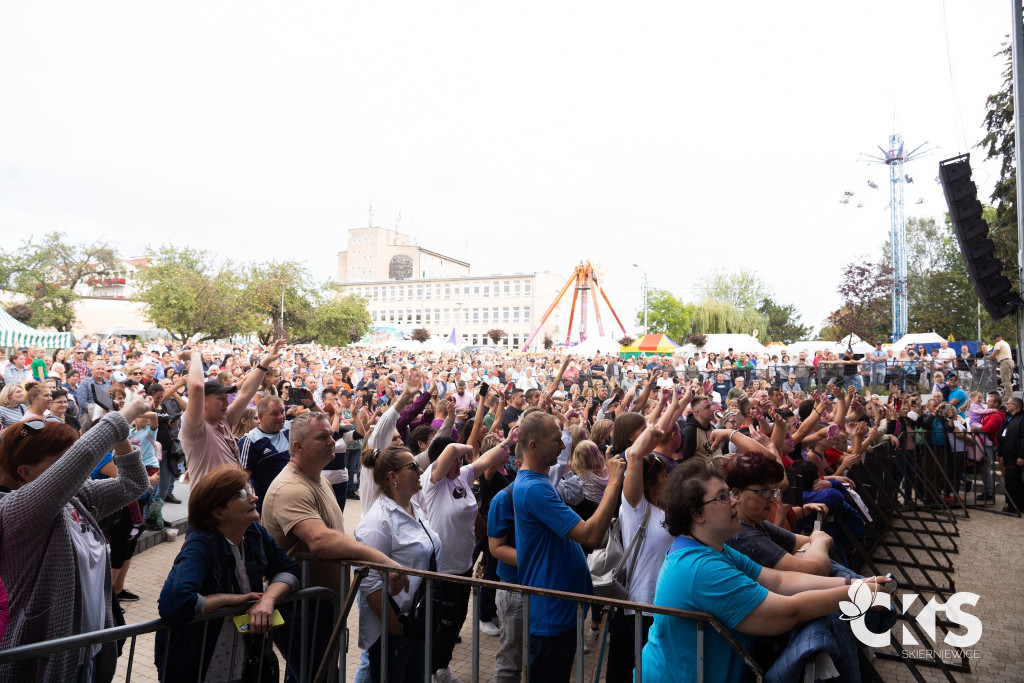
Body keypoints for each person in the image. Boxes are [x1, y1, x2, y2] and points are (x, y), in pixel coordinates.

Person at [640, 458, 891, 683]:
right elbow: (786, 612)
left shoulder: (714, 548)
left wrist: (854, 583)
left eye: (730, 493)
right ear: (696, 514)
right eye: (723, 497)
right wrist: (854, 593)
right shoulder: (699, 568)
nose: (734, 501)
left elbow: (780, 581)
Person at [0, 399, 151, 682]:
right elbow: (83, 455)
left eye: (70, 456)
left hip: (90, 653)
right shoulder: (14, 511)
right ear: (25, 472)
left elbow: (134, 484)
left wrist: (121, 439)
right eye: (62, 462)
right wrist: (124, 416)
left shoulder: (76, 499)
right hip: (45, 661)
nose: (73, 470)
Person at [261, 411, 406, 680]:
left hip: (321, 607)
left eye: (331, 434)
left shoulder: (320, 480)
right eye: (322, 437)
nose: (332, 441)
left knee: (308, 675)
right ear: (298, 446)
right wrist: (381, 559)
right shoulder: (290, 488)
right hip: (301, 611)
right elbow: (320, 540)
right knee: (321, 676)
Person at [156, 465, 299, 682]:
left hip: (241, 661)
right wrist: (228, 599)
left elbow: (288, 569)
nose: (254, 497)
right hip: (197, 664)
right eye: (242, 494)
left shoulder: (254, 533)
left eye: (249, 488)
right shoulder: (201, 544)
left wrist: (267, 600)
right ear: (218, 512)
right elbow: (174, 602)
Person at [513, 409, 626, 683]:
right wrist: (614, 481)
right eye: (555, 440)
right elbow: (589, 535)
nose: (564, 445)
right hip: (550, 615)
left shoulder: (540, 482)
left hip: (562, 609)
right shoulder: (534, 489)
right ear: (533, 445)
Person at [420, 434, 510, 683]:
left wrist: (507, 442)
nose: (461, 463)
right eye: (456, 460)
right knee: (444, 623)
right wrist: (469, 448)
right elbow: (450, 448)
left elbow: (487, 461)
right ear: (441, 461)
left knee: (457, 621)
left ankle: (441, 669)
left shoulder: (461, 476)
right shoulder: (432, 481)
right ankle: (426, 671)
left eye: (462, 460)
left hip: (463, 565)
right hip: (441, 569)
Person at [354, 446, 441, 683]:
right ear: (393, 477)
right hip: (395, 631)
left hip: (417, 624)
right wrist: (398, 630)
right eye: (413, 467)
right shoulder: (378, 522)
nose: (420, 470)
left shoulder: (414, 507)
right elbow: (370, 586)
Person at [181, 340, 285, 487]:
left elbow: (246, 392)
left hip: (234, 502)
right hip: (211, 505)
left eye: (226, 399)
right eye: (220, 399)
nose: (226, 403)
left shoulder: (224, 420)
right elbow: (197, 386)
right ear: (203, 403)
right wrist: (195, 355)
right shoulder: (195, 429)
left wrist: (266, 361)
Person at [723, 453, 833, 575]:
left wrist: (801, 553)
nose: (772, 499)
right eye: (764, 491)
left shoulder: (756, 522)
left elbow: (804, 542)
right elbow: (815, 570)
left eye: (773, 491)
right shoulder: (742, 534)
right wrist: (821, 538)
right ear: (737, 493)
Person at [238, 396, 291, 513]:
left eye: (282, 412)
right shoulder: (250, 440)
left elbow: (323, 424)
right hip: (269, 508)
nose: (281, 417)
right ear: (261, 416)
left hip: (296, 502)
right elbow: (243, 480)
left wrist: (311, 404)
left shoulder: (290, 427)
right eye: (274, 414)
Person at [997, 397, 1024, 513]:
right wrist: (1001, 453)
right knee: (1010, 481)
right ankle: (1013, 504)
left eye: (1008, 404)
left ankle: (1014, 505)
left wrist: (1022, 456)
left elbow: (1023, 439)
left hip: (1016, 457)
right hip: (1008, 456)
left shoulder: (1022, 419)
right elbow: (1003, 436)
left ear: (1015, 406)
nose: (1006, 405)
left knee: (1014, 482)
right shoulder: (1009, 418)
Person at [987, 333, 1014, 400]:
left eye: (995, 338)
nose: (994, 340)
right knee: (1007, 380)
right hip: (1009, 361)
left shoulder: (998, 343)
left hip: (1004, 362)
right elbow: (998, 355)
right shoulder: (1005, 343)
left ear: (999, 337)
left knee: (1005, 380)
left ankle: (1008, 397)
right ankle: (1009, 395)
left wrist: (986, 357)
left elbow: (994, 354)